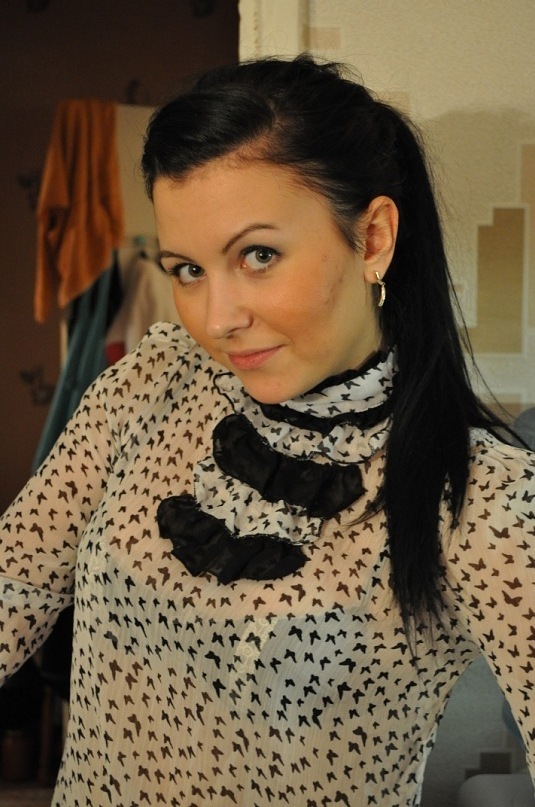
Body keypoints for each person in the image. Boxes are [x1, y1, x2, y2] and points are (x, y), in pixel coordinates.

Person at [0, 54, 533, 806]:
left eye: (258, 256)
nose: (216, 320)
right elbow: (16, 581)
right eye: (187, 269)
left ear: (374, 238)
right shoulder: (151, 384)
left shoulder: (483, 498)